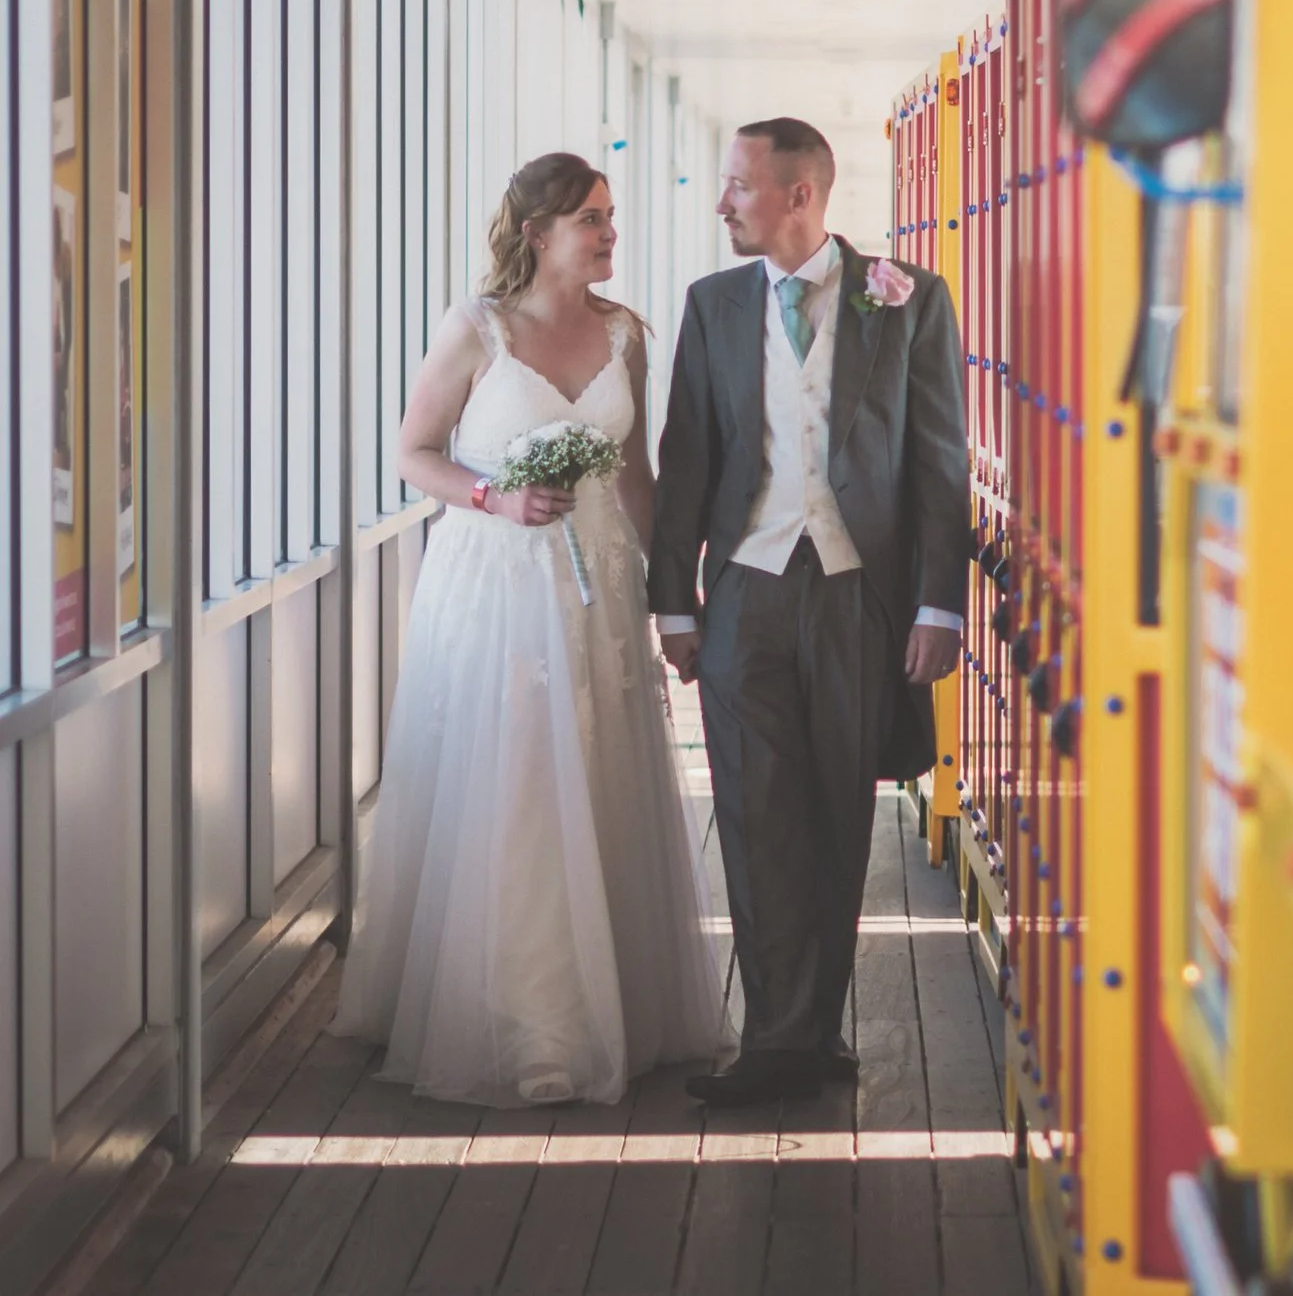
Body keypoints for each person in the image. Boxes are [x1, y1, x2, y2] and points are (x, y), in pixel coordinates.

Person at [334, 153, 728, 1107]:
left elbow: (636, 476)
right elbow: (409, 453)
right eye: (590, 217)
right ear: (538, 230)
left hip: (596, 593)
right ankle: (528, 1024)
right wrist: (492, 495)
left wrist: (673, 594)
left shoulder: (626, 334)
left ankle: (611, 1006)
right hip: (496, 586)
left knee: (595, 778)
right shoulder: (477, 329)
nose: (608, 233)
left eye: (610, 215)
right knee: (513, 786)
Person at [649, 116, 971, 1107]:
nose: (721, 203)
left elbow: (938, 459)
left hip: (857, 593)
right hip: (745, 587)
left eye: (738, 184)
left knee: (838, 811)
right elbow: (687, 455)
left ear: (800, 194)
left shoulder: (907, 300)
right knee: (753, 812)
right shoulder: (711, 306)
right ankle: (778, 1038)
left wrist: (938, 604)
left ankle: (813, 1025)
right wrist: (673, 600)